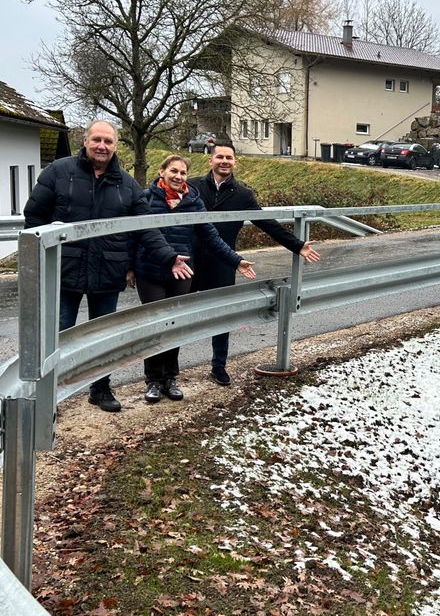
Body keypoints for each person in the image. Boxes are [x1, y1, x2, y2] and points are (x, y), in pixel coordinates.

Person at [23, 120, 194, 412]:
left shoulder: (127, 184)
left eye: (108, 142)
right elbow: (34, 216)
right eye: (97, 140)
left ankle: (100, 390)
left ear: (115, 146)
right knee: (58, 336)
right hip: (64, 270)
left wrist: (168, 255)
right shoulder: (58, 172)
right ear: (86, 141)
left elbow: (145, 228)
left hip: (107, 271)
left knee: (103, 338)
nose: (102, 146)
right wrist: (42, 256)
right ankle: (48, 397)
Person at [187, 140, 320, 386]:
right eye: (220, 157)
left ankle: (218, 366)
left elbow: (267, 223)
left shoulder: (243, 194)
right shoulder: (192, 186)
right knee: (178, 316)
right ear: (211, 160)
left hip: (223, 261)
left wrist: (297, 245)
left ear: (235, 162)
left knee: (221, 317)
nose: (224, 161)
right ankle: (167, 374)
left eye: (229, 158)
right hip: (189, 261)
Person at [131, 154, 256, 403]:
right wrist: (129, 267)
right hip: (151, 271)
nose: (178, 176)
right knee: (156, 324)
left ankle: (170, 378)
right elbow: (133, 234)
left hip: (183, 272)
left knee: (175, 325)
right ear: (162, 171)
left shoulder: (193, 201)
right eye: (173, 171)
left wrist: (236, 260)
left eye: (183, 173)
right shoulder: (146, 198)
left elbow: (211, 236)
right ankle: (153, 380)